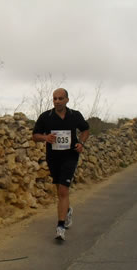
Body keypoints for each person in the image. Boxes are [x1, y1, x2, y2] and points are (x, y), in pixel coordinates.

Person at [32, 88, 90, 241]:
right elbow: (35, 136)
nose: (57, 101)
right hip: (53, 157)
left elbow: (85, 129)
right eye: (55, 98)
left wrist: (81, 143)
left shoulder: (75, 115)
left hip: (70, 157)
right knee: (60, 191)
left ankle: (60, 227)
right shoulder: (46, 117)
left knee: (63, 190)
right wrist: (45, 137)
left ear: (67, 100)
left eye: (60, 98)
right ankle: (68, 210)